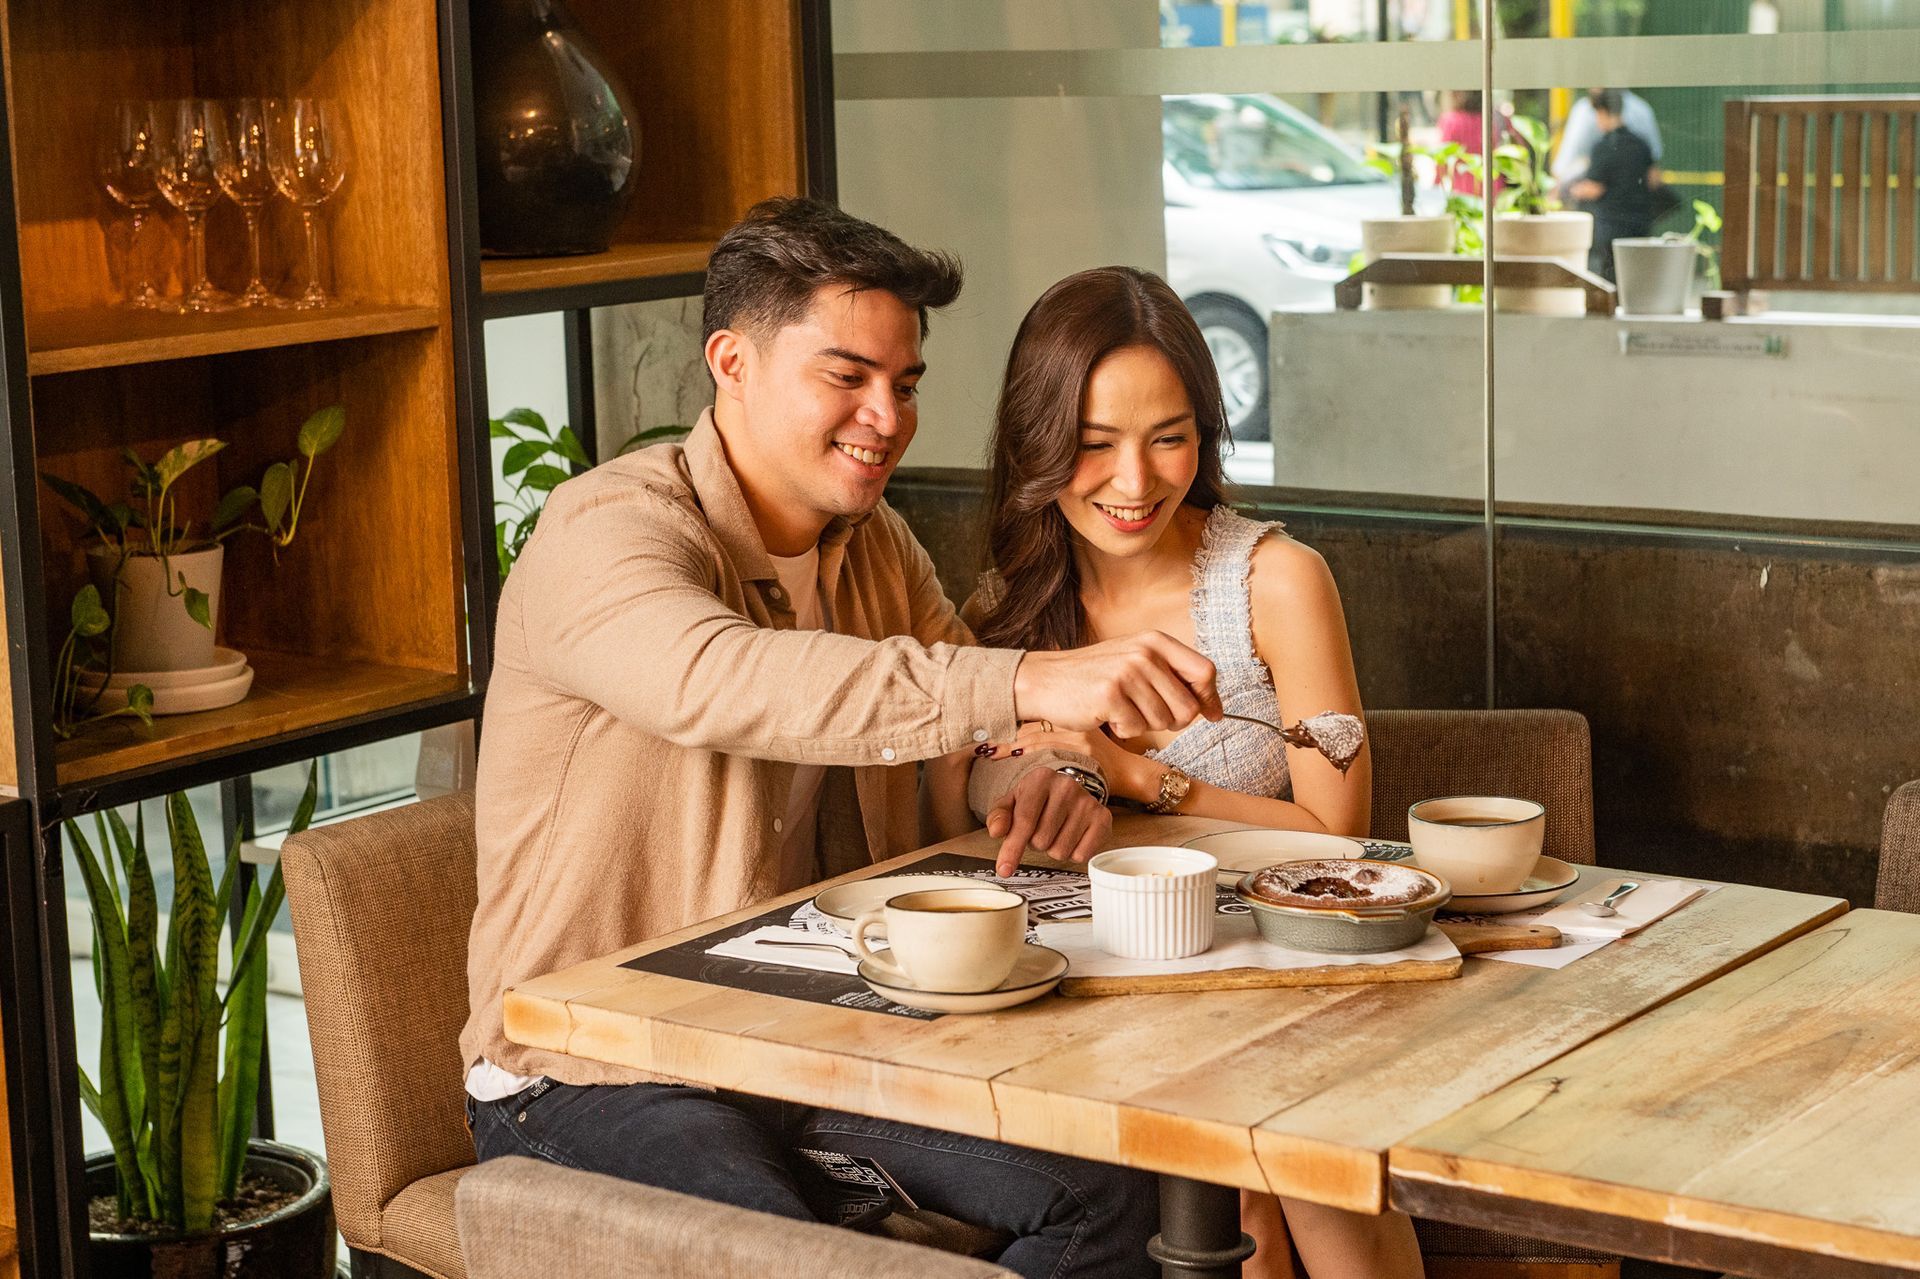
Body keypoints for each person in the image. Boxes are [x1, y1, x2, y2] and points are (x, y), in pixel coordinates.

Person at [462, 197, 1228, 1279]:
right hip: (593, 1068)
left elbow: (968, 739)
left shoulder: (876, 545)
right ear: (731, 361)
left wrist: (1036, 772)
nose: (888, 415)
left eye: (905, 383)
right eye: (847, 375)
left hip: (803, 1046)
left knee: (1122, 1194)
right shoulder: (604, 532)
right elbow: (725, 679)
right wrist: (1032, 680)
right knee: (796, 1256)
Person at [967, 266, 1419, 1279]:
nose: (1135, 482)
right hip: (1100, 1000)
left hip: (1290, 987)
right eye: (1093, 444)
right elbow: (971, 786)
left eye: (1168, 437)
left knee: (1289, 1150)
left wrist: (1134, 775)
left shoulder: (1273, 580)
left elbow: (1341, 833)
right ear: (1036, 443)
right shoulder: (1009, 613)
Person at [1569, 89, 1659, 281]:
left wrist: (1573, 190)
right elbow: (1653, 180)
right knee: (1635, 276)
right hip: (1640, 223)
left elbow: (1594, 189)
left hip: (1611, 226)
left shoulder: (1603, 146)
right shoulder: (1641, 144)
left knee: (1608, 278)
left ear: (1602, 112)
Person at [1551, 86, 1663, 194]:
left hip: (1602, 207)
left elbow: (1566, 170)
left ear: (1602, 113)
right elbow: (1653, 175)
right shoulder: (1642, 111)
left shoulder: (1584, 112)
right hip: (1639, 207)